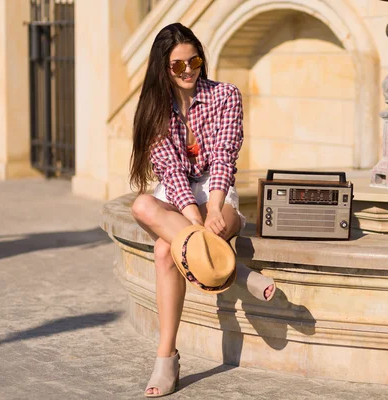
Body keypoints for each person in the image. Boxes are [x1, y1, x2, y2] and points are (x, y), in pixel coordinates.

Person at [129, 23, 275, 397]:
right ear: (163, 68)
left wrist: (213, 207)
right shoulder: (154, 108)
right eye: (178, 65)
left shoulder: (225, 95)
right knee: (142, 204)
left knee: (165, 251)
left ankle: (166, 358)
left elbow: (225, 155)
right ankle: (235, 271)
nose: (188, 69)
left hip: (216, 187)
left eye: (194, 60)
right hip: (177, 193)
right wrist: (195, 218)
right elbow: (171, 172)